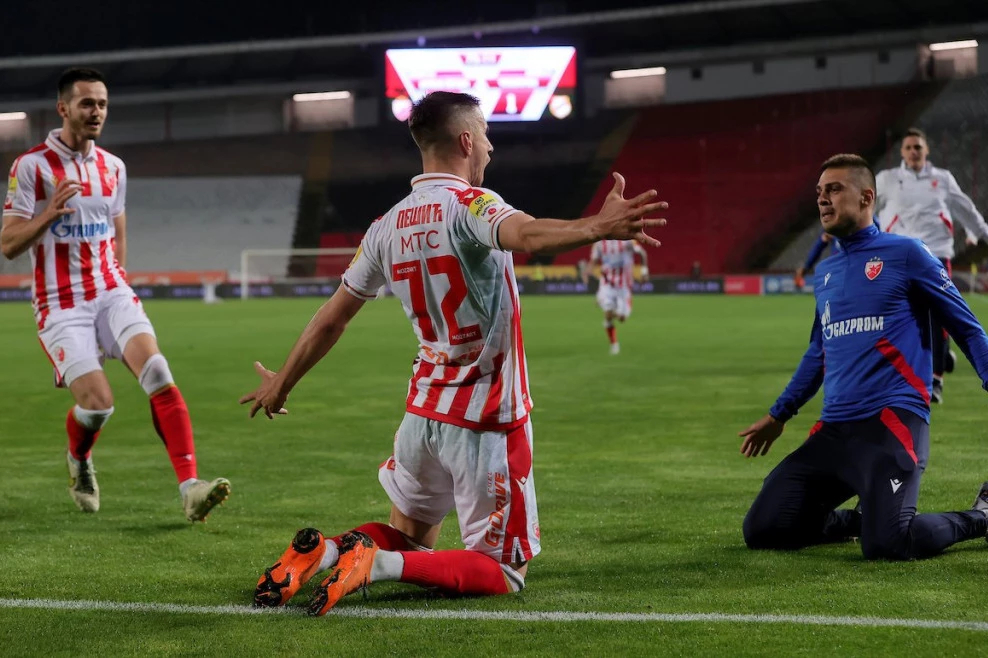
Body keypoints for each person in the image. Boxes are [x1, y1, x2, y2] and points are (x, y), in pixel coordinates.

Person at [241, 91, 667, 615]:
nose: (490, 146)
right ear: (466, 140)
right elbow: (526, 234)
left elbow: (334, 317)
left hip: (423, 415)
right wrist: (596, 227)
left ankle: (323, 553)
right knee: (504, 571)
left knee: (412, 537)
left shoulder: (386, 225)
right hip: (485, 418)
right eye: (485, 134)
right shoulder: (471, 205)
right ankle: (375, 564)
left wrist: (282, 382)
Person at [0, 67, 230, 521]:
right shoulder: (31, 167)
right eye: (87, 103)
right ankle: (79, 458)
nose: (97, 112)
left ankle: (190, 488)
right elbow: (8, 244)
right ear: (63, 108)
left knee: (158, 371)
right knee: (98, 405)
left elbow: (117, 229)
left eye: (102, 104)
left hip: (110, 291)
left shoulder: (113, 167)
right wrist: (48, 214)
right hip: (60, 304)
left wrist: (119, 281)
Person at [738, 153, 988, 561]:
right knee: (764, 528)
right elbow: (818, 352)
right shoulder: (826, 273)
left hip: (891, 425)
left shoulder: (907, 254)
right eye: (819, 192)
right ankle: (861, 520)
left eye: (834, 189)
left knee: (889, 544)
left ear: (867, 197)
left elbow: (966, 327)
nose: (823, 199)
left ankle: (981, 516)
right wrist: (779, 414)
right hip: (834, 431)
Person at [876, 127, 988, 403]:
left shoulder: (943, 179)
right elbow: (864, 208)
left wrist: (983, 233)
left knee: (939, 316)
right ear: (902, 152)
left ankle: (935, 380)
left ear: (926, 150)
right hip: (898, 257)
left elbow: (965, 209)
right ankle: (904, 373)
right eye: (908, 147)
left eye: (918, 147)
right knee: (899, 317)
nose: (913, 151)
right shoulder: (887, 180)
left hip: (936, 255)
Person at [584, 239, 648, 354]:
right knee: (608, 314)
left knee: (622, 318)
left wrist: (644, 272)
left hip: (624, 286)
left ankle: (605, 305)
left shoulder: (628, 240)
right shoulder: (599, 243)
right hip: (607, 283)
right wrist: (587, 271)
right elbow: (594, 260)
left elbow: (642, 253)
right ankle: (614, 344)